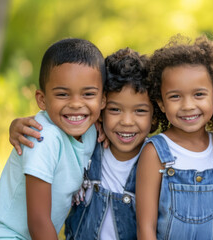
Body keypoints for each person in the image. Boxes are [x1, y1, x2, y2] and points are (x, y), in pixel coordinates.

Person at [0, 38, 106, 240]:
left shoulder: (91, 130)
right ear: (42, 100)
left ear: (103, 99)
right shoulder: (43, 137)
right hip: (4, 234)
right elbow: (38, 220)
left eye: (88, 94)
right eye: (63, 94)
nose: (76, 104)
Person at [135, 35, 213, 240]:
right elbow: (145, 229)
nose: (188, 106)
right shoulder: (155, 152)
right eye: (175, 96)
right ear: (161, 103)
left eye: (199, 94)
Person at [64, 47, 158, 239]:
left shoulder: (158, 160)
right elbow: (52, 124)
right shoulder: (85, 145)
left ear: (154, 116)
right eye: (115, 110)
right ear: (100, 109)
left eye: (140, 111)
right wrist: (16, 125)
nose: (127, 122)